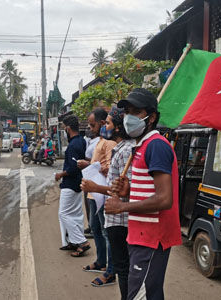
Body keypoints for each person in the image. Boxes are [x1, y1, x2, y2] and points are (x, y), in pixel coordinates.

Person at [106, 88, 182, 300]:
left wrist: (121, 206)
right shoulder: (142, 145)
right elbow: (149, 191)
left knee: (141, 295)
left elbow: (165, 199)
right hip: (140, 235)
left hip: (152, 237)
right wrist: (128, 191)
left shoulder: (156, 146)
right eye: (127, 111)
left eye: (136, 112)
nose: (129, 117)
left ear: (152, 117)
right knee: (149, 293)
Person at [81, 106, 134, 295]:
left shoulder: (125, 149)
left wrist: (95, 187)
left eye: (108, 123)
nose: (105, 127)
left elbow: (123, 189)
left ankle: (111, 273)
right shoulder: (118, 147)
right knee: (123, 268)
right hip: (113, 213)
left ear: (118, 127)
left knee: (124, 270)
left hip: (120, 217)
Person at [77, 108, 117, 285]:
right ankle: (101, 261)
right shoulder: (99, 141)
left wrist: (90, 165)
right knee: (95, 227)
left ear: (103, 124)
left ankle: (111, 270)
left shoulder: (110, 144)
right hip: (94, 193)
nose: (90, 128)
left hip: (101, 191)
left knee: (106, 231)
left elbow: (110, 167)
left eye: (93, 125)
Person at [55, 115, 91, 256]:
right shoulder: (81, 141)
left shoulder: (74, 145)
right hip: (77, 183)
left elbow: (73, 168)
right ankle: (73, 241)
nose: (64, 130)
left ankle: (81, 242)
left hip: (70, 184)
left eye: (64, 128)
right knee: (75, 214)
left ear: (68, 128)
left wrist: (60, 175)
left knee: (63, 214)